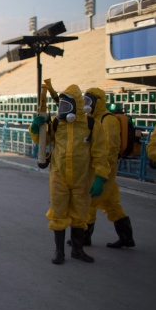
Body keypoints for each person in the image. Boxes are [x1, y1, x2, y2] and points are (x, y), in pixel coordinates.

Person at [30, 84, 110, 265]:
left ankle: (77, 250)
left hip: (82, 178)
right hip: (59, 176)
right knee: (58, 213)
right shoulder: (58, 123)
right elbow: (43, 140)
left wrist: (100, 176)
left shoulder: (91, 125)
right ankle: (59, 252)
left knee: (80, 214)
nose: (63, 111)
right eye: (61, 106)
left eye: (67, 106)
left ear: (77, 106)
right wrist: (35, 128)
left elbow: (100, 153)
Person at [79, 88, 135, 248]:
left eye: (89, 101)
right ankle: (127, 238)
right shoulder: (90, 118)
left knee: (89, 202)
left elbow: (110, 149)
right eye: (85, 101)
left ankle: (84, 237)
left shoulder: (108, 120)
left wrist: (101, 174)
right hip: (99, 169)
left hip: (104, 170)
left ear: (99, 102)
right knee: (111, 204)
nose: (86, 104)